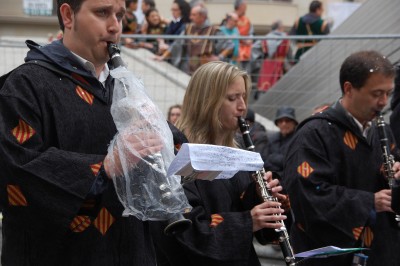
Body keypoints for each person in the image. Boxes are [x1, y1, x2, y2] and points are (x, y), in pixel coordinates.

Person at [0, 0, 162, 264]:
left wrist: (180, 159)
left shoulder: (126, 88)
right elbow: (16, 171)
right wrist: (105, 167)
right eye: (102, 12)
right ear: (67, 15)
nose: (115, 26)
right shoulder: (24, 85)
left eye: (120, 15)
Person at [151, 61, 288, 266]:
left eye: (243, 97)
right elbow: (185, 231)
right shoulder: (177, 151)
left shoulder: (238, 152)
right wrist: (248, 221)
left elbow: (251, 222)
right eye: (232, 98)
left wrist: (261, 199)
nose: (242, 106)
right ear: (207, 101)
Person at [282, 50, 400, 266]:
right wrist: (369, 202)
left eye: (388, 93)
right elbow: (305, 195)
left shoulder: (382, 130)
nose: (384, 102)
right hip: (331, 256)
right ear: (349, 89)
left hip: (381, 251)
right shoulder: (314, 133)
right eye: (376, 94)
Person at [155, 4, 234, 75]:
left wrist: (219, 57)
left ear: (202, 16)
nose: (190, 17)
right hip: (188, 69)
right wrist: (163, 57)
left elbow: (230, 45)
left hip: (206, 71)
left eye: (193, 15)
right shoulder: (188, 28)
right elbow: (176, 44)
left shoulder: (213, 30)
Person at [256, 20, 291, 92]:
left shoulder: (266, 37)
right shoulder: (285, 37)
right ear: (280, 27)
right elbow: (289, 54)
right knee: (277, 87)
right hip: (279, 64)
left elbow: (255, 48)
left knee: (265, 86)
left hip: (267, 64)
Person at [264, 106, 298, 177]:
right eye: (280, 121)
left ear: (294, 123)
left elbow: (293, 163)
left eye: (287, 121)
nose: (284, 124)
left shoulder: (298, 139)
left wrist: (273, 158)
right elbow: (265, 160)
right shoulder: (272, 138)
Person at [234, 0, 253, 71]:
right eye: (245, 6)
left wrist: (250, 39)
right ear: (240, 6)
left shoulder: (246, 19)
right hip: (235, 47)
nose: (246, 8)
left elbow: (251, 32)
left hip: (247, 48)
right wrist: (243, 40)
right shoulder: (231, 18)